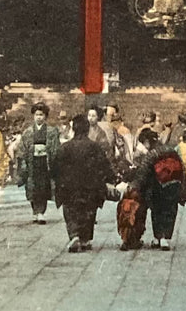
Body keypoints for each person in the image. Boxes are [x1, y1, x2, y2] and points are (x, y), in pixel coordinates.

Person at [55, 115, 112, 252]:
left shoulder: (65, 147)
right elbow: (104, 166)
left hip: (69, 187)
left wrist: (59, 182)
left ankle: (74, 235)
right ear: (87, 129)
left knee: (71, 211)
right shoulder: (94, 147)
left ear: (73, 129)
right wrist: (110, 180)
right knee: (89, 211)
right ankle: (85, 239)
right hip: (90, 187)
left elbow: (56, 168)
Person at [134, 128, 186, 250]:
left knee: (157, 211)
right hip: (174, 185)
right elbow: (182, 168)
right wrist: (184, 187)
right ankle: (165, 238)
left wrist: (136, 186)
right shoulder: (171, 150)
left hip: (158, 186)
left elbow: (143, 172)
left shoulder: (152, 153)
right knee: (170, 211)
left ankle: (158, 237)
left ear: (147, 141)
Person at [14, 103, 61, 224]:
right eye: (36, 115)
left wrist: (54, 161)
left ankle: (40, 212)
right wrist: (23, 162)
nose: (39, 117)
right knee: (31, 187)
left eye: (41, 115)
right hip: (31, 162)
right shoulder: (27, 132)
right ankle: (35, 211)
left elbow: (56, 148)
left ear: (45, 116)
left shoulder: (52, 131)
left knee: (43, 187)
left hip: (45, 162)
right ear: (33, 116)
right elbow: (22, 149)